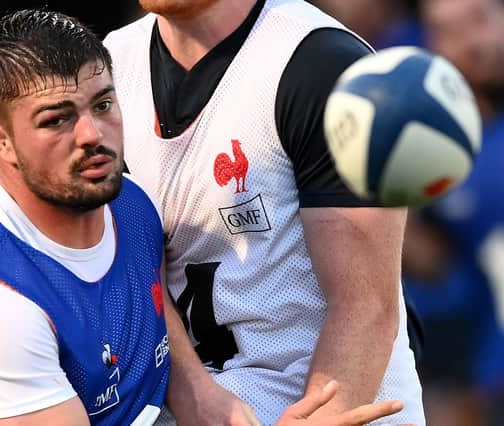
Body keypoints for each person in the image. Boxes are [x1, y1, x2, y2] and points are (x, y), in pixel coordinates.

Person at [0, 8, 408, 426]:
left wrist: (199, 390)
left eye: (104, 106)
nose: (91, 134)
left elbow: (368, 303)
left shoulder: (128, 208)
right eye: (56, 119)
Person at [104, 1, 426, 425]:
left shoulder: (324, 64)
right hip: (198, 404)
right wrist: (193, 391)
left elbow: (365, 306)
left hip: (333, 407)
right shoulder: (107, 67)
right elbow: (134, 277)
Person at [402, 0, 504, 424]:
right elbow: (441, 275)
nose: (469, 43)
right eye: (445, 31)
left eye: (479, 19)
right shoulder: (435, 155)